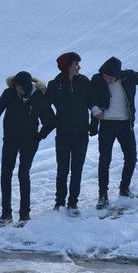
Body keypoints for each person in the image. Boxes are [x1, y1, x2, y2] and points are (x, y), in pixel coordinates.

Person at [90, 56, 138, 208]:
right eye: (105, 76)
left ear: (118, 75)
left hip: (125, 124)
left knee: (131, 157)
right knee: (105, 160)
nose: (107, 79)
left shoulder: (129, 76)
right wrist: (95, 116)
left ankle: (124, 188)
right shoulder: (97, 79)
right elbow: (90, 98)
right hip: (107, 124)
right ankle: (102, 195)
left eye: (110, 77)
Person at [0, 71, 56, 226]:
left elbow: (50, 120)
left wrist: (39, 136)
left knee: (23, 174)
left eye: (21, 88)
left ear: (28, 87)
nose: (18, 91)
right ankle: (6, 214)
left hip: (29, 141)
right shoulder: (9, 93)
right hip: (10, 139)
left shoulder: (39, 97)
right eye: (16, 87)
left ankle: (24, 214)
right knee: (5, 174)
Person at [45, 52, 101, 216]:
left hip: (81, 133)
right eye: (76, 64)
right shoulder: (55, 84)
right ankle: (59, 202)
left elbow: (93, 102)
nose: (79, 67)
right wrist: (53, 120)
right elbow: (45, 105)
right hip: (63, 134)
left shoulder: (84, 81)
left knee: (77, 169)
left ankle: (73, 203)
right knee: (62, 169)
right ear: (67, 67)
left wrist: (94, 123)